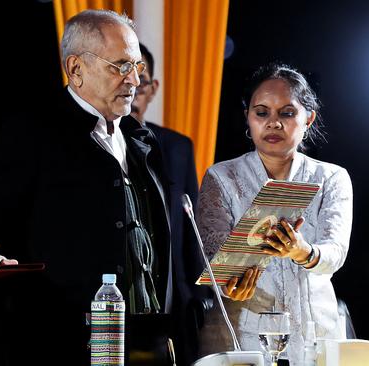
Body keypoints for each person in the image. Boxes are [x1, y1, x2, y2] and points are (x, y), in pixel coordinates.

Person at [0, 9, 196, 365]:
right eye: (119, 66)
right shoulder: (33, 133)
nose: (133, 79)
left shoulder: (142, 141)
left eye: (136, 67)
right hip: (62, 343)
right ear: (75, 69)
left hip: (149, 345)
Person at [195, 63, 352, 366]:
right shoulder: (222, 177)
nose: (273, 123)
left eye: (287, 113)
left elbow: (336, 253)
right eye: (262, 112)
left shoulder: (331, 177)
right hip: (241, 337)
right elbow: (214, 260)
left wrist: (301, 251)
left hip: (316, 335)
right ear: (248, 119)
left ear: (309, 118)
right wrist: (229, 285)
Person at [130, 42, 205, 363]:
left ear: (153, 88)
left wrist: (199, 302)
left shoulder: (177, 147)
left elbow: (191, 232)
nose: (133, 89)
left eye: (141, 81)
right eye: (124, 76)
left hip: (172, 313)